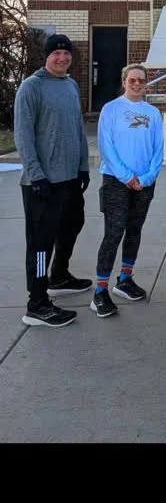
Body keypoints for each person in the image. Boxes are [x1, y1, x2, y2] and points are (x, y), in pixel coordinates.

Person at [14, 33, 92, 328]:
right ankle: (37, 303)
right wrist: (36, 174)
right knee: (40, 244)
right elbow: (23, 134)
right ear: (46, 56)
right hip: (42, 182)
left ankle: (59, 276)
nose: (62, 58)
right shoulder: (31, 87)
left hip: (70, 179)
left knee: (72, 225)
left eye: (66, 53)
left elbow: (78, 128)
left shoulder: (71, 85)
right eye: (56, 53)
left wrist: (83, 167)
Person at [91, 64, 165, 318]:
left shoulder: (153, 113)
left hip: (144, 183)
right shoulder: (111, 109)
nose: (137, 84)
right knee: (114, 233)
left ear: (146, 83)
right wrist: (126, 176)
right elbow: (106, 146)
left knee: (134, 230)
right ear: (124, 82)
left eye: (141, 80)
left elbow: (158, 149)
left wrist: (146, 177)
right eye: (132, 80)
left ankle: (125, 278)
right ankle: (100, 291)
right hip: (116, 181)